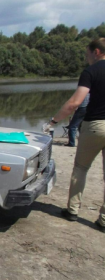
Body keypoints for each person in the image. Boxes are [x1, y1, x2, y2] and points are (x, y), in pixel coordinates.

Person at [42, 38, 105, 232]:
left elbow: (74, 103)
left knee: (81, 168)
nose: (86, 58)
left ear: (96, 52)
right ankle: (104, 221)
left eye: (87, 53)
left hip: (95, 125)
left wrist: (53, 121)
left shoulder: (91, 72)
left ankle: (73, 211)